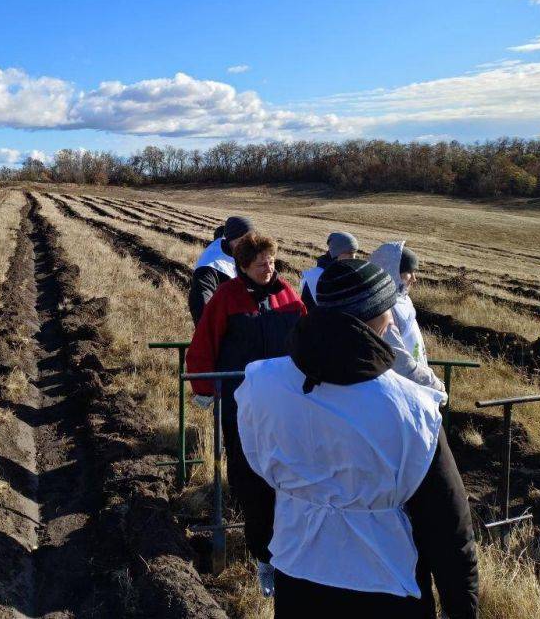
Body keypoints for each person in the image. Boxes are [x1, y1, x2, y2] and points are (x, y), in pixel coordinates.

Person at [236, 259, 478, 617]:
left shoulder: (261, 384)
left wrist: (263, 549)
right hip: (387, 588)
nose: (393, 320)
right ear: (370, 318)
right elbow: (448, 527)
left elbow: (251, 482)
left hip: (298, 577)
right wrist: (461, 609)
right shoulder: (413, 410)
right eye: (387, 310)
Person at [186, 232, 306, 597]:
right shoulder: (226, 298)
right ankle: (263, 557)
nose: (268, 269)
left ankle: (291, 550)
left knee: (286, 476)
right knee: (250, 477)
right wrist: (205, 387)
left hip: (284, 406)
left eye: (271, 262)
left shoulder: (288, 297)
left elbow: (306, 338)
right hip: (244, 405)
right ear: (242, 267)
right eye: (260, 265)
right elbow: (204, 340)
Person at [188, 215, 255, 325]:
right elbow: (202, 309)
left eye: (252, 239)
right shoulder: (208, 269)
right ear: (232, 240)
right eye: (244, 240)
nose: (250, 245)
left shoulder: (237, 249)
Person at [370, 241, 428, 365]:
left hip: (416, 375)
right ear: (394, 271)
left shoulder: (404, 300)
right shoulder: (384, 308)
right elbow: (398, 359)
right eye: (409, 272)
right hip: (405, 379)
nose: (414, 278)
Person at [299, 231, 359, 310]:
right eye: (349, 253)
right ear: (336, 252)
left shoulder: (353, 273)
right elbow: (307, 309)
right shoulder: (313, 277)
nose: (353, 258)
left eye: (354, 253)